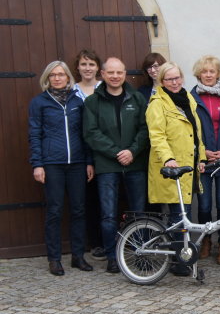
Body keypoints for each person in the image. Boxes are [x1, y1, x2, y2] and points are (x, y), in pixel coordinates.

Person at [82, 57, 149, 274]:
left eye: (119, 72)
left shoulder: (137, 98)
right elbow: (91, 133)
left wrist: (132, 151)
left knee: (139, 212)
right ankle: (112, 257)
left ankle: (141, 252)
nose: (115, 76)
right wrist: (115, 152)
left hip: (135, 162)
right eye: (110, 72)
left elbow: (145, 129)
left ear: (125, 74)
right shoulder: (92, 102)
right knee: (108, 214)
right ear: (103, 74)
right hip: (107, 165)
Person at [29, 61, 94, 276]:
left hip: (76, 163)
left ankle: (78, 256)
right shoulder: (39, 103)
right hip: (52, 163)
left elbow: (85, 134)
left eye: (61, 75)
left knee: (78, 210)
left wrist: (88, 161)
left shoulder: (77, 101)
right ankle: (54, 259)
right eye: (53, 75)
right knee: (55, 211)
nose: (57, 78)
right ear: (47, 79)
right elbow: (35, 135)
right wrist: (38, 164)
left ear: (68, 77)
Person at [145, 61, 206, 276]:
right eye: (170, 79)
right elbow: (157, 136)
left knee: (183, 215)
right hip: (172, 167)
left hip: (190, 166)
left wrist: (203, 157)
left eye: (177, 77)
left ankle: (182, 258)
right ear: (161, 81)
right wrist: (168, 158)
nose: (175, 82)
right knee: (179, 216)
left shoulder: (187, 99)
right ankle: (179, 261)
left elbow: (196, 133)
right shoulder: (157, 104)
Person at [191, 55, 220, 265]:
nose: (208, 75)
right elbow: (189, 131)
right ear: (198, 74)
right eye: (205, 71)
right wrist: (202, 153)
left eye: (212, 71)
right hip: (203, 161)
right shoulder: (190, 98)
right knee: (203, 205)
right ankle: (206, 240)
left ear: (218, 74)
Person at [72, 49, 104, 261]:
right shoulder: (72, 91)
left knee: (109, 199)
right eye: (84, 64)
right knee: (90, 199)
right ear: (78, 68)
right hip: (83, 151)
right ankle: (96, 242)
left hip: (106, 150)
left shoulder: (105, 88)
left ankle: (113, 240)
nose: (87, 68)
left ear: (98, 68)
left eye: (91, 64)